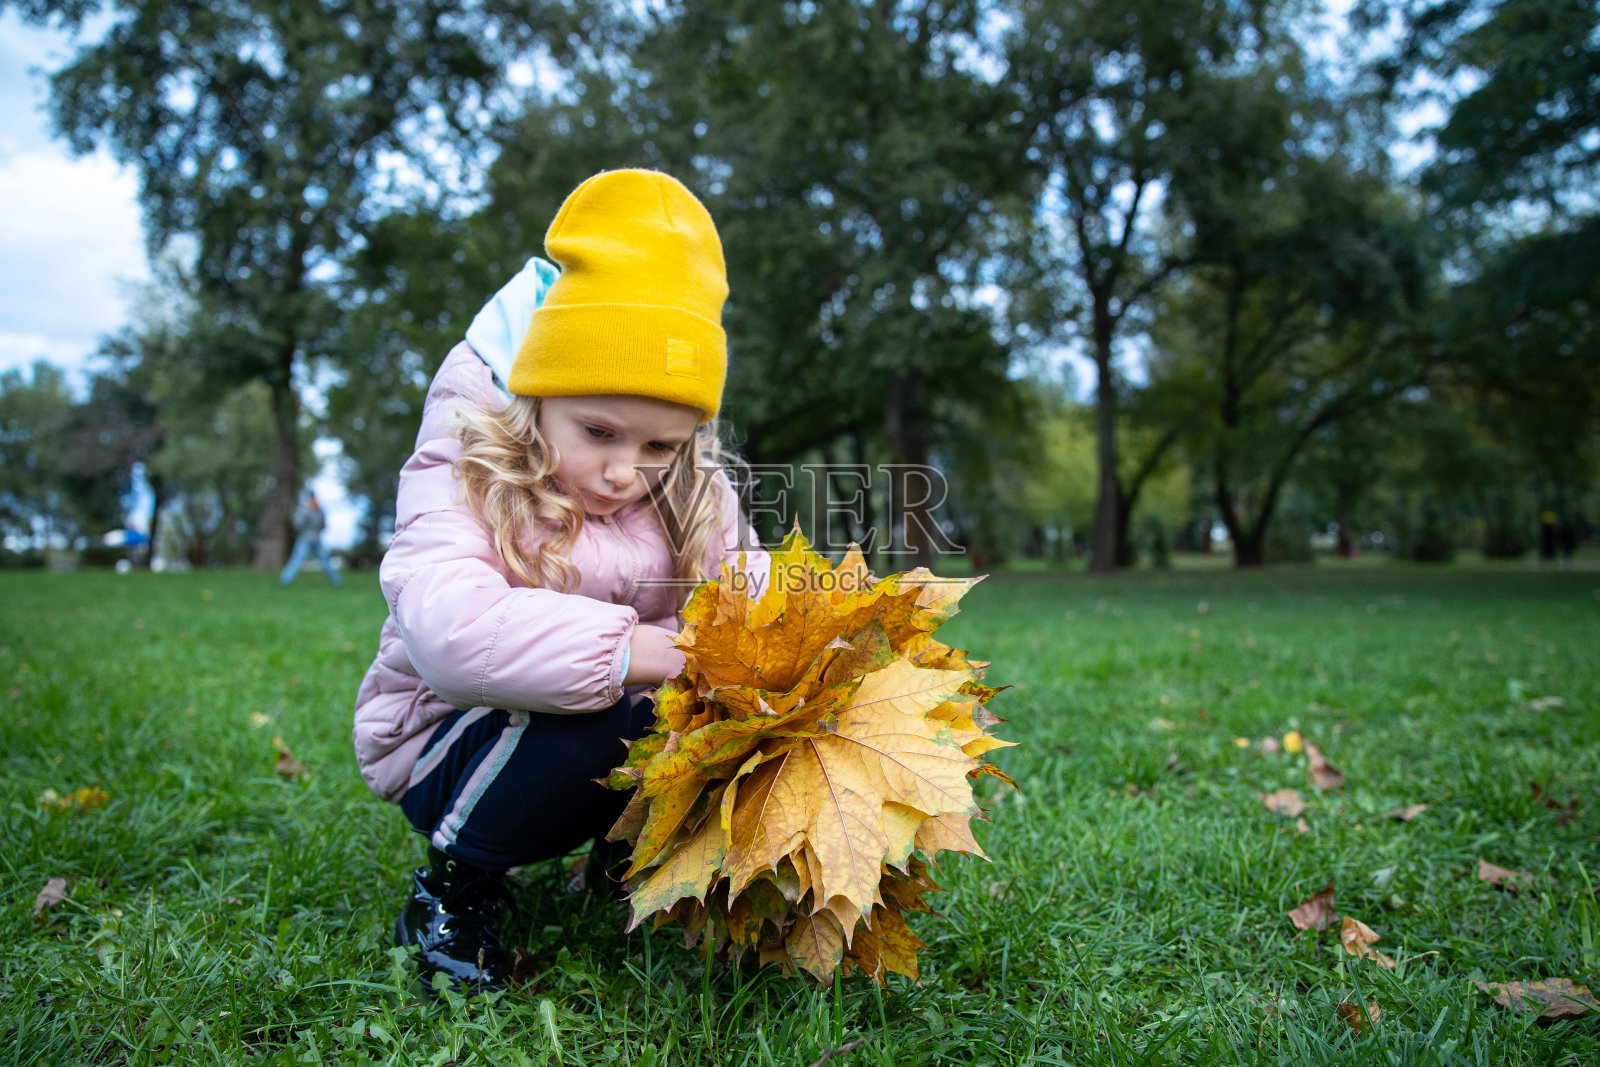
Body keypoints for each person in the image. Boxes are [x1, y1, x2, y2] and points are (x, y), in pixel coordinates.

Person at [352, 169, 766, 995]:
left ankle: (629, 859)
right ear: (536, 394)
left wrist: (773, 638)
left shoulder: (687, 484)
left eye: (659, 446)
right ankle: (455, 887)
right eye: (599, 431)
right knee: (613, 706)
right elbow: (452, 633)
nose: (624, 471)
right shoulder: (469, 461)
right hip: (449, 738)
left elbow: (742, 580)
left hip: (609, 711)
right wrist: (644, 650)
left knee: (706, 696)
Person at [279, 493, 342, 586]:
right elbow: (323, 526)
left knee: (297, 559)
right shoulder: (320, 511)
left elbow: (298, 525)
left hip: (305, 539)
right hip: (315, 538)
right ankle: (337, 581)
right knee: (325, 560)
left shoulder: (305, 510)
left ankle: (285, 580)